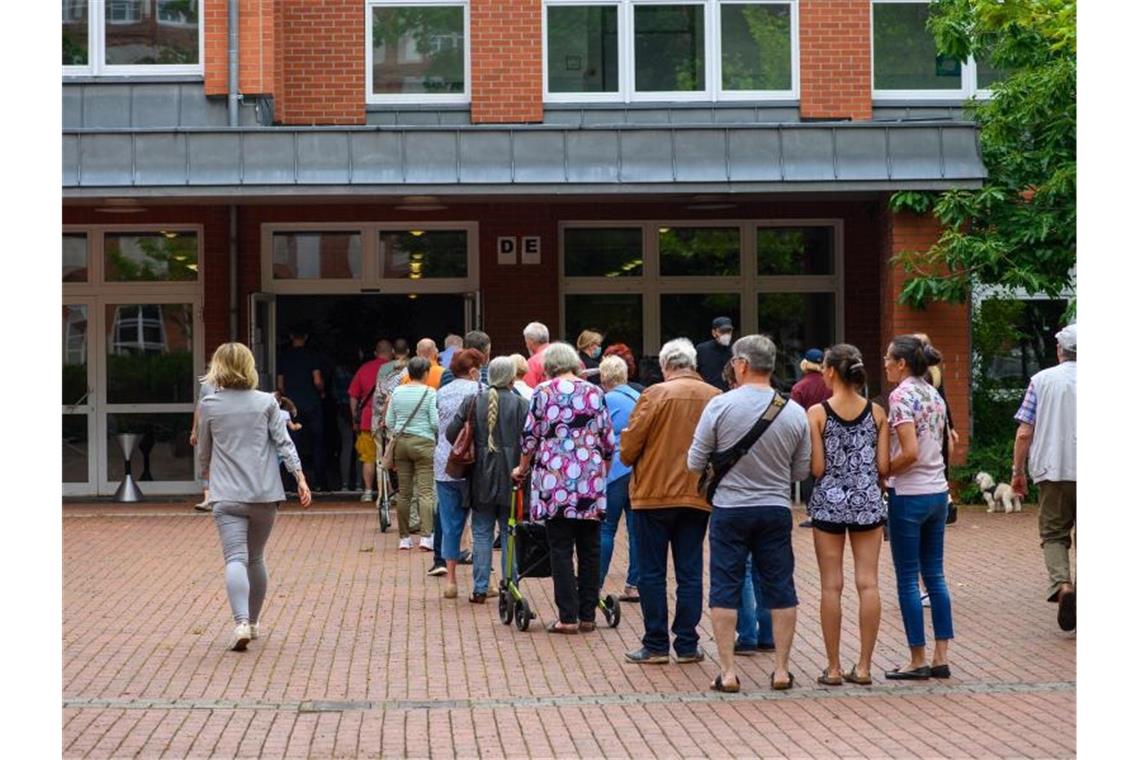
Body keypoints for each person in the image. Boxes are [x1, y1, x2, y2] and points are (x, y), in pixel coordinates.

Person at [688, 334, 810, 693]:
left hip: (730, 509)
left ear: (741, 364)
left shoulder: (719, 406)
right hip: (775, 508)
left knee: (725, 588)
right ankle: (782, 669)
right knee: (780, 587)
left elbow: (695, 462)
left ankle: (727, 671)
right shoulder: (793, 411)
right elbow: (801, 471)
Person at [196, 342, 312, 651]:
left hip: (226, 493)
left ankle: (241, 622)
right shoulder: (267, 403)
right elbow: (284, 442)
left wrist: (206, 481)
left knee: (235, 557)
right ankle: (255, 622)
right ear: (250, 367)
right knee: (256, 557)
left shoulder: (210, 404)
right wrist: (299, 477)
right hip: (264, 492)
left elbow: (204, 452)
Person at [620, 338, 720, 664]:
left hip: (653, 494)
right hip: (696, 494)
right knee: (690, 571)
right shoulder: (714, 396)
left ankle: (656, 644)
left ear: (665, 366)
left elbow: (629, 449)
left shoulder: (655, 394)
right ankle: (688, 644)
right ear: (693, 364)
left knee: (652, 572)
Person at [513, 342, 614, 634]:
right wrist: (601, 471)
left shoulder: (543, 392)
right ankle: (588, 615)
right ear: (574, 362)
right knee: (590, 549)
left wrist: (521, 468)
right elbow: (607, 439)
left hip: (554, 481)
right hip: (589, 480)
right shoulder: (595, 392)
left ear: (549, 366)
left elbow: (529, 436)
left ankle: (567, 617)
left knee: (560, 549)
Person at [805, 344, 890, 686]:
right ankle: (865, 666)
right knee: (868, 583)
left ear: (828, 372)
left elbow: (817, 467)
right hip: (868, 501)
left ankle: (834, 666)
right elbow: (883, 466)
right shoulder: (877, 412)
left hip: (829, 502)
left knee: (832, 585)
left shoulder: (817, 413)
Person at [881, 334, 954, 680]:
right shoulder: (933, 394)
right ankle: (941, 655)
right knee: (935, 575)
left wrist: (883, 471)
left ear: (901, 364)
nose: (884, 364)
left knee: (908, 578)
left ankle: (917, 657)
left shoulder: (900, 396)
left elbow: (908, 452)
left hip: (908, 493)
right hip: (937, 491)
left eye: (888, 359)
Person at [1012, 323, 1077, 632]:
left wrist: (1017, 472)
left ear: (1059, 351)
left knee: (1053, 534)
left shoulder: (1041, 381)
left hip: (1052, 469)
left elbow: (1025, 431)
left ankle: (1063, 585)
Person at [448, 356, 528, 603]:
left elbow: (452, 433)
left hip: (480, 476)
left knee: (481, 533)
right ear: (512, 377)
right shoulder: (522, 405)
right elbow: (532, 442)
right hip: (513, 476)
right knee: (509, 532)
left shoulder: (473, 401)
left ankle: (480, 588)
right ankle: (510, 587)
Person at [432, 349, 485, 597]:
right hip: (475, 465)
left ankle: (451, 580)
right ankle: (485, 580)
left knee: (450, 523)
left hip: (446, 463)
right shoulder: (480, 392)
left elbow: (436, 427)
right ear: (474, 370)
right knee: (481, 524)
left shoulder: (440, 393)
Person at [598, 356, 641, 603]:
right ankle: (634, 585)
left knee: (606, 528)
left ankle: (596, 584)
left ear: (604, 377)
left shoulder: (606, 399)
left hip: (614, 470)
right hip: (637, 469)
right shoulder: (639, 397)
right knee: (636, 532)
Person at [385, 356, 439, 551]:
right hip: (424, 443)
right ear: (425, 373)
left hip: (401, 442)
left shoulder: (397, 392)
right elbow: (434, 422)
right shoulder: (430, 393)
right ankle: (426, 537)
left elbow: (390, 422)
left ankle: (404, 538)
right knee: (426, 492)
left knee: (404, 493)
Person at [914, 332, 961, 526]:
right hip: (938, 428)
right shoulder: (936, 373)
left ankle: (942, 506)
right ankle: (946, 504)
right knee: (940, 465)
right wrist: (950, 427)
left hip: (924, 429)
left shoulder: (920, 375)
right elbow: (944, 401)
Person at [276, 327, 326, 491]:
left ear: (291, 336)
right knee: (317, 442)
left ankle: (292, 483)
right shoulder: (312, 355)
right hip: (312, 403)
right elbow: (317, 380)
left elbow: (280, 385)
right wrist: (322, 392)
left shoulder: (284, 357)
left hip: (292, 405)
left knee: (291, 443)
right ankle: (319, 482)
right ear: (306, 336)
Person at [792, 347, 832, 527]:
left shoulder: (799, 387)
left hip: (808, 434)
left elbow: (794, 414)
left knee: (809, 474)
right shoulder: (831, 384)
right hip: (830, 432)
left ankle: (812, 513)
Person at [348, 340, 392, 502]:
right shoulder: (396, 369)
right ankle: (390, 492)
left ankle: (367, 491)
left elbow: (353, 395)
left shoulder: (364, 369)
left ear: (375, 353)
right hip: (390, 420)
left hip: (368, 420)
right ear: (392, 352)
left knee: (368, 458)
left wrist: (354, 418)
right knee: (390, 457)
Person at [190, 374, 217, 511]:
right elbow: (199, 408)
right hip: (207, 429)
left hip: (224, 431)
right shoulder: (207, 385)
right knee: (205, 461)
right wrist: (194, 431)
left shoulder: (235, 384)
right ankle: (207, 498)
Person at [695, 317, 734, 391]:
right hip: (707, 393)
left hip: (729, 394)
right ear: (714, 333)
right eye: (722, 331)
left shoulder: (735, 350)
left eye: (728, 331)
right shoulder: (702, 349)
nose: (726, 335)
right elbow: (695, 372)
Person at [521, 322, 551, 388]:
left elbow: (529, 391)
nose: (526, 345)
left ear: (531, 341)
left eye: (526, 341)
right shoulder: (567, 356)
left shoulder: (532, 363)